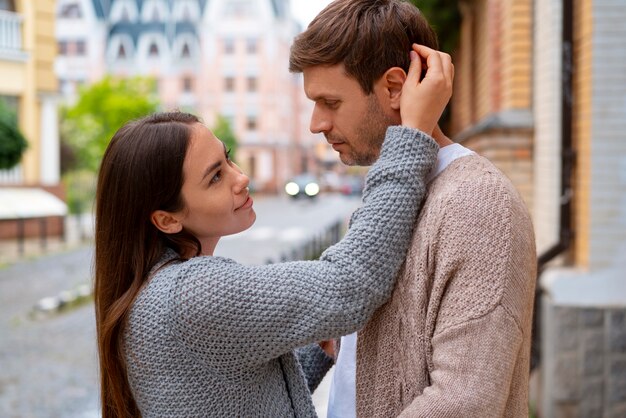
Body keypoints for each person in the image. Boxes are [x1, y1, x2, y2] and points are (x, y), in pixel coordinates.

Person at [93, 44, 453, 417]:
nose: (241, 178)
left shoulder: (159, 292)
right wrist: (411, 137)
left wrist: (315, 345)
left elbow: (238, 398)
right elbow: (350, 284)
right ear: (166, 219)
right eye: (215, 176)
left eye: (228, 158)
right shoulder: (192, 293)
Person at [289, 0, 537, 417]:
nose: (316, 124)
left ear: (394, 88)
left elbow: (464, 402)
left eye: (330, 102)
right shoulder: (390, 195)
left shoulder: (477, 203)